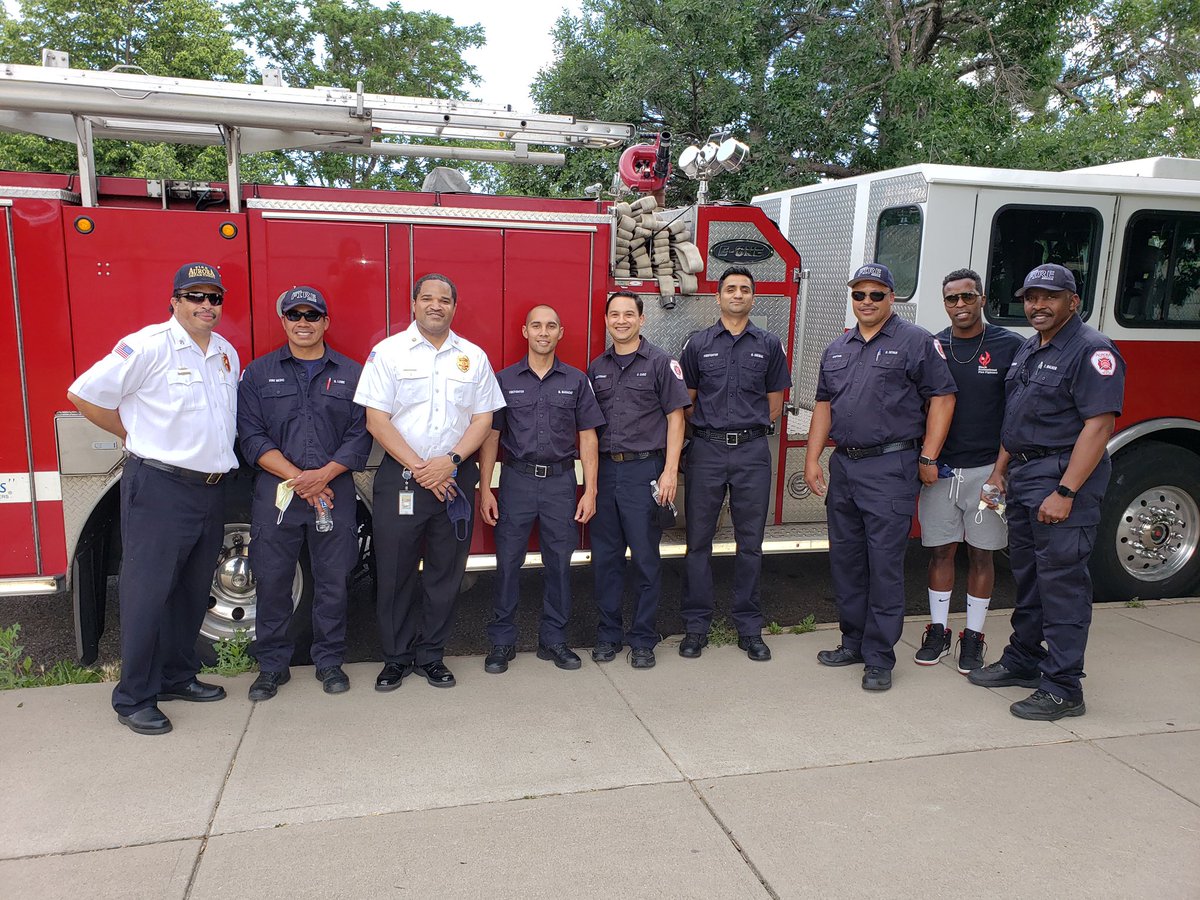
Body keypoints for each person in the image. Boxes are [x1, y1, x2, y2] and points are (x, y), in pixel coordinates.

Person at [67, 262, 238, 735]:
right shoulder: (147, 346)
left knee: (189, 591)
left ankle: (177, 677)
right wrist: (134, 434)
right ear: (175, 301)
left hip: (210, 489)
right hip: (160, 487)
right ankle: (133, 696)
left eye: (214, 298)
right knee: (148, 594)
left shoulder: (225, 352)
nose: (207, 305)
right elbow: (84, 394)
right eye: (195, 296)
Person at [969, 264, 1125, 720]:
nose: (1037, 305)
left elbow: (1099, 426)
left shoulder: (1092, 351)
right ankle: (1025, 658)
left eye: (1049, 297)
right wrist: (999, 474)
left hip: (1059, 478)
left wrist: (1066, 490)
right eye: (1031, 297)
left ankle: (1063, 686)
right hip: (1022, 477)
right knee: (1030, 577)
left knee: (1063, 584)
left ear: (1072, 302)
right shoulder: (1029, 350)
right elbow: (1015, 420)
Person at [805, 263, 957, 692]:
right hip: (846, 466)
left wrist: (928, 455)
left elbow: (943, 399)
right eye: (859, 295)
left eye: (876, 295)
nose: (866, 302)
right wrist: (813, 457)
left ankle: (879, 657)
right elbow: (823, 406)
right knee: (847, 561)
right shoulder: (837, 348)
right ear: (851, 299)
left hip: (891, 467)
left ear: (892, 297)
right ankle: (852, 641)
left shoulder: (916, 342)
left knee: (884, 564)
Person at [354, 274, 504, 691]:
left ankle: (432, 656)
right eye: (427, 298)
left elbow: (484, 419)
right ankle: (396, 658)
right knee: (395, 573)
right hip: (402, 478)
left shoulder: (473, 357)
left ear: (454, 307)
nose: (435, 305)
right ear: (414, 304)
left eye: (444, 300)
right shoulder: (387, 353)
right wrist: (424, 467)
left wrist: (451, 462)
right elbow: (376, 420)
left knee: (445, 575)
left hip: (454, 481)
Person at [237, 287, 371, 700]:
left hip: (335, 492)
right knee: (274, 581)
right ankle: (272, 667)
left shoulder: (351, 373)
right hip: (278, 495)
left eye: (312, 315)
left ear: (325, 323)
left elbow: (361, 432)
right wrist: (300, 478)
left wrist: (324, 475)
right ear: (283, 322)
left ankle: (329, 663)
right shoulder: (258, 374)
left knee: (333, 581)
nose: (303, 322)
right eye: (294, 315)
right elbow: (251, 436)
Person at [478, 305, 606, 673]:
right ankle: (502, 642)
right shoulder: (504, 380)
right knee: (507, 565)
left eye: (551, 325)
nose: (543, 332)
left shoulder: (576, 380)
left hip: (561, 484)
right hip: (516, 482)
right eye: (536, 325)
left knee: (559, 566)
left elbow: (588, 438)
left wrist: (590, 490)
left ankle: (555, 640)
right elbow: (491, 436)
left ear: (561, 332)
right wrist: (486, 488)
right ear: (525, 331)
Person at [678, 266, 791, 661]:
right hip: (706, 451)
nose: (737, 294)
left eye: (745, 289)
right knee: (698, 544)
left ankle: (748, 627)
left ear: (753, 298)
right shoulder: (698, 344)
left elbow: (775, 402)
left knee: (751, 546)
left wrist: (745, 431)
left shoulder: (770, 344)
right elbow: (686, 400)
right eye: (730, 289)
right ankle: (696, 626)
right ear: (718, 296)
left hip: (751, 452)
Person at [915, 269, 1023, 672]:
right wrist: (924, 459)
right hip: (940, 472)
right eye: (951, 299)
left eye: (967, 297)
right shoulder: (933, 346)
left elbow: (1016, 415)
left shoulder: (1009, 346)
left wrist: (1001, 471)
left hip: (988, 472)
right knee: (941, 550)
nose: (959, 305)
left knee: (982, 554)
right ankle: (938, 631)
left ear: (981, 299)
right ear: (944, 303)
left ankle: (973, 637)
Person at [587, 290, 690, 669]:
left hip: (645, 471)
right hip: (607, 470)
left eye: (629, 314)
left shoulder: (662, 363)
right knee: (606, 560)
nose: (621, 320)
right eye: (614, 314)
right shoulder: (596, 367)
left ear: (642, 319)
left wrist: (669, 472)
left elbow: (676, 419)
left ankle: (643, 639)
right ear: (606, 320)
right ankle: (608, 635)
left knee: (646, 561)